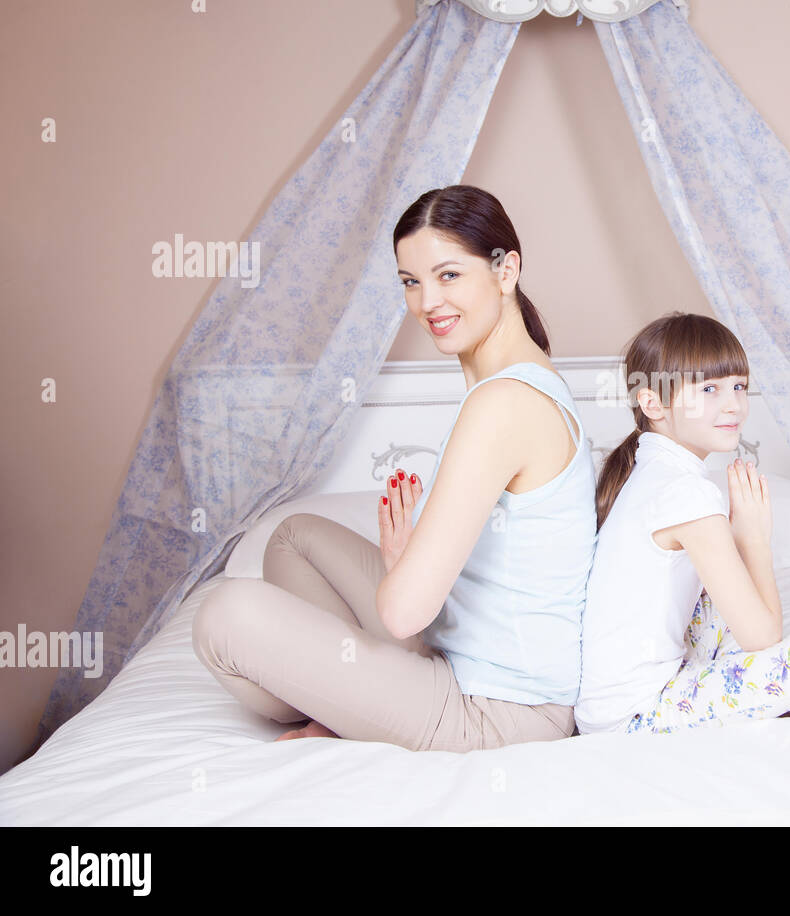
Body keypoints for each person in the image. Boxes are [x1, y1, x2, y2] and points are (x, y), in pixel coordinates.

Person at [192, 184, 596, 752]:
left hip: (498, 713)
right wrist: (406, 573)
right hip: (455, 656)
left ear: (506, 271)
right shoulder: (517, 381)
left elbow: (404, 611)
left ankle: (342, 703)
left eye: (449, 275)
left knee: (225, 615)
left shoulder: (503, 403)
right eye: (411, 281)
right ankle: (353, 696)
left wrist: (401, 569)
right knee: (293, 537)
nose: (428, 301)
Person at [575, 312, 790, 735]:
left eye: (739, 386)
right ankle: (762, 700)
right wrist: (754, 538)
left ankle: (755, 701)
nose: (733, 405)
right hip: (633, 716)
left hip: (610, 706)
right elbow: (763, 639)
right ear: (653, 403)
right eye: (709, 389)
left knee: (721, 592)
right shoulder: (685, 493)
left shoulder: (653, 473)